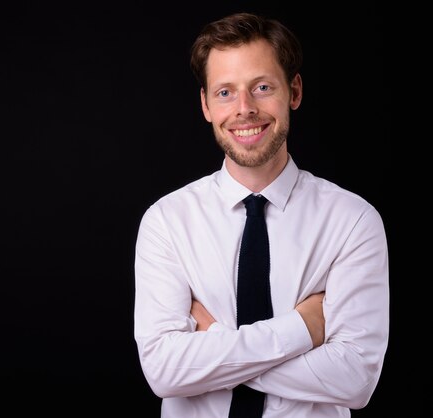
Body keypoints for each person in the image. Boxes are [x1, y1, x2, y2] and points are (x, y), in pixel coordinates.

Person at [133, 11, 389, 417]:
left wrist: (214, 341)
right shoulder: (167, 222)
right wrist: (304, 328)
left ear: (295, 91)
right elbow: (164, 372)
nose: (244, 108)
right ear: (205, 105)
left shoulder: (353, 221)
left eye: (262, 87)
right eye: (225, 93)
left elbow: (355, 379)